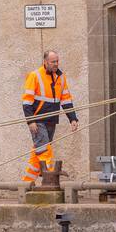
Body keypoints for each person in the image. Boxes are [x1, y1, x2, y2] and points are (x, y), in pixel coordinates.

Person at [22, 50, 78, 183]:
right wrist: (31, 121)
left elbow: (66, 100)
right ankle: (51, 180)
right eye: (53, 62)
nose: (56, 64)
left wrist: (73, 118)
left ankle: (25, 184)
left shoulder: (61, 77)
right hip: (38, 121)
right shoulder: (34, 76)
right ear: (45, 62)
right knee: (45, 151)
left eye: (57, 61)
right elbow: (27, 101)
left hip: (51, 121)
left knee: (38, 154)